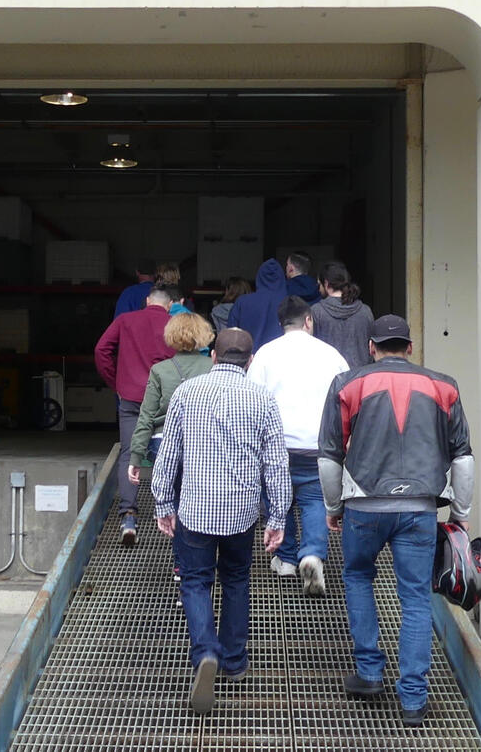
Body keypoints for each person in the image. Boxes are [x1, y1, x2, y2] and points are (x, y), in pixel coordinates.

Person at [318, 315, 474, 728]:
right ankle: (413, 701)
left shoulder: (347, 383)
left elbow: (329, 457)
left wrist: (334, 507)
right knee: (416, 600)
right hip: (421, 509)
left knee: (357, 577)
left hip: (364, 507)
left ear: (372, 347)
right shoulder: (444, 385)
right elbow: (463, 457)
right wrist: (459, 515)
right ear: (409, 347)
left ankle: (369, 674)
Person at [152, 328, 291, 715]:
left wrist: (163, 502)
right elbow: (276, 463)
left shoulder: (188, 392)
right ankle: (233, 660)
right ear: (249, 361)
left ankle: (205, 653)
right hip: (242, 513)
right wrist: (278, 516)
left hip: (195, 509)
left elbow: (169, 455)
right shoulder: (262, 398)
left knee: (195, 581)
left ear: (213, 355)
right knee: (236, 579)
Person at [246, 296, 348, 596]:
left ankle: (286, 558)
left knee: (280, 499)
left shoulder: (266, 353)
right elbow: (345, 395)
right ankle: (312, 554)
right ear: (308, 321)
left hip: (278, 443)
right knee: (315, 500)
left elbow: (253, 398)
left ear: (282, 325)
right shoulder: (331, 354)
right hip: (319, 443)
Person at [95, 284, 174, 546]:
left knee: (130, 453)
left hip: (129, 397)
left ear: (148, 300)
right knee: (171, 452)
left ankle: (129, 517)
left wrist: (115, 381)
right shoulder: (174, 324)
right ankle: (171, 513)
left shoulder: (125, 320)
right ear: (170, 304)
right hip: (164, 398)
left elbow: (101, 350)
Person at [126, 311, 215, 485]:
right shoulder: (214, 367)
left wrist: (135, 457)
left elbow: (146, 416)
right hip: (204, 442)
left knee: (169, 500)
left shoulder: (159, 370)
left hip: (163, 441)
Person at [310, 260, 374, 368]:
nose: (319, 288)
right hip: (359, 378)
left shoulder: (316, 312)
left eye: (319, 284)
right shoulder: (365, 311)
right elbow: (372, 349)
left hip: (329, 380)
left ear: (326, 284)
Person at [226, 258, 286, 351]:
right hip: (281, 359)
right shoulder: (291, 302)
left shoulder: (242, 302)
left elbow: (231, 334)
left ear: (259, 277)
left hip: (248, 359)